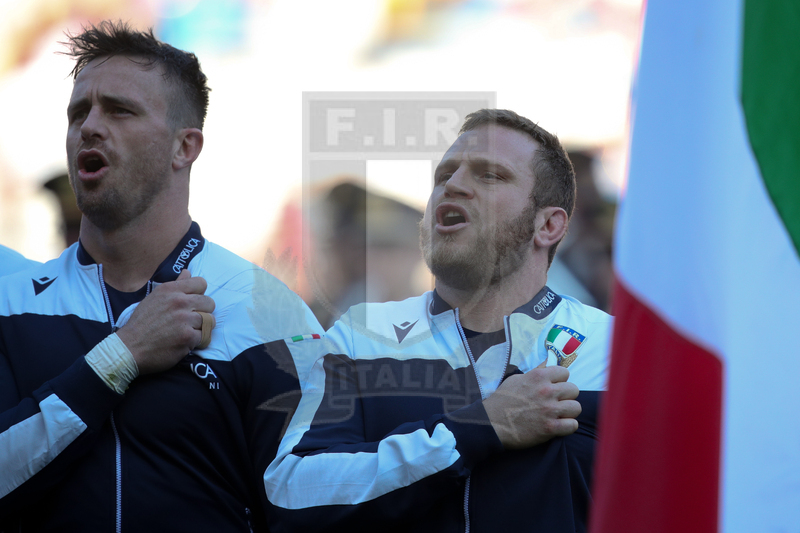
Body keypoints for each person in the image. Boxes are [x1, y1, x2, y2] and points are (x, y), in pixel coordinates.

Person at [0, 21, 321, 531]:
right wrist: (119, 357)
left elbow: (315, 511)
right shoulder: (11, 302)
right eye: (78, 112)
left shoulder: (267, 312)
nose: (90, 126)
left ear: (184, 148)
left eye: (120, 110)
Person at [263, 109, 612, 532]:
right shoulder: (361, 336)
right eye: (444, 174)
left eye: (490, 175)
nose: (454, 184)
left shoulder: (612, 349)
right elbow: (291, 493)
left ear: (549, 224)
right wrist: (478, 428)